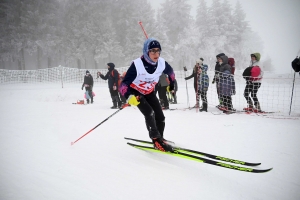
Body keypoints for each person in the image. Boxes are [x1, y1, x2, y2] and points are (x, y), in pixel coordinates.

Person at [119, 38, 175, 152]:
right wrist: (129, 96)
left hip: (149, 92)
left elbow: (171, 73)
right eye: (152, 51)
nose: (156, 54)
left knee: (160, 116)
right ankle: (155, 140)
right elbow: (123, 85)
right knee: (149, 113)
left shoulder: (162, 63)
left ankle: (160, 137)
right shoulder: (137, 65)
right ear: (146, 51)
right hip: (136, 92)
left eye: (158, 51)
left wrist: (171, 84)